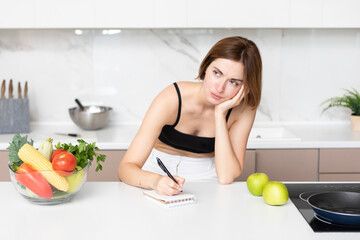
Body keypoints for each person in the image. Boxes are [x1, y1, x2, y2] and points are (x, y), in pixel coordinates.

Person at [118, 36, 262, 196]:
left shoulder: (244, 110)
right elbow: (126, 168)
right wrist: (156, 181)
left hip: (208, 175)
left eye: (234, 82)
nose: (220, 88)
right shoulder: (172, 98)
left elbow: (226, 176)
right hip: (157, 170)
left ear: (246, 86)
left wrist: (220, 114)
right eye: (217, 73)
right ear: (206, 66)